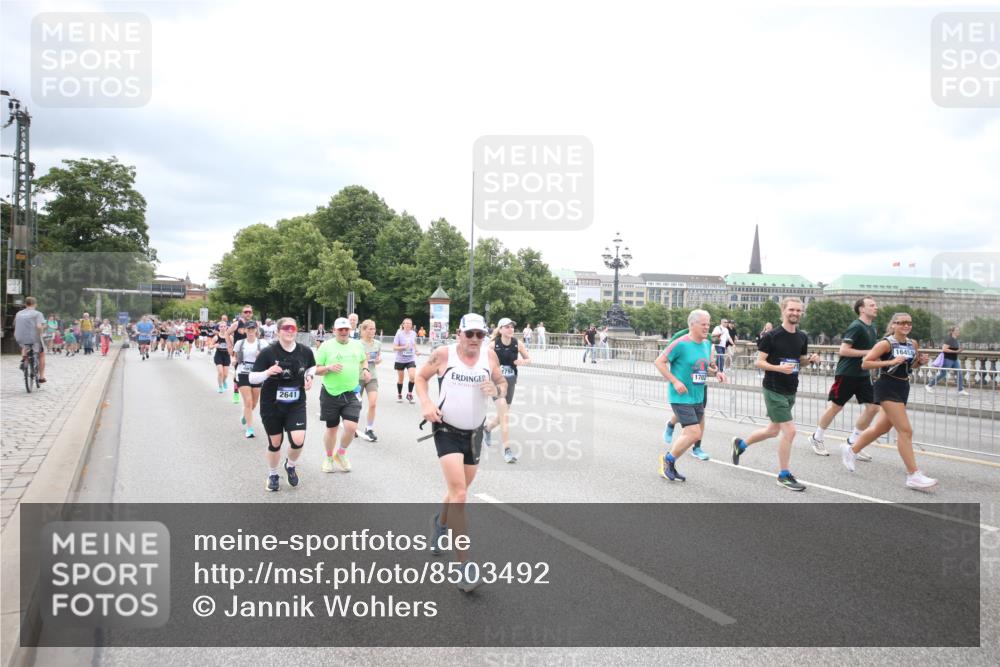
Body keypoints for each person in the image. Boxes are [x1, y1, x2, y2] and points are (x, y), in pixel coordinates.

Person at [415, 313, 505, 593]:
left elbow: (502, 384)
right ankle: (464, 567)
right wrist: (427, 403)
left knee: (459, 490)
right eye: (470, 334)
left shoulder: (489, 357)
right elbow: (420, 377)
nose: (475, 340)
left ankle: (440, 524)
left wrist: (497, 389)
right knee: (461, 495)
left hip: (475, 433)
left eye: (480, 334)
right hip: (446, 430)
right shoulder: (443, 355)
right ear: (460, 334)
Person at [731, 297, 820, 492]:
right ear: (783, 311)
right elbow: (759, 362)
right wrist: (778, 368)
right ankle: (784, 475)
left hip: (791, 389)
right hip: (773, 388)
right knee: (790, 431)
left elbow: (800, 361)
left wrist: (810, 360)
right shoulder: (771, 336)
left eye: (798, 310)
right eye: (791, 310)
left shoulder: (802, 336)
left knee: (772, 431)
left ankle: (741, 444)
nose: (795, 313)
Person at [842, 313, 937, 490]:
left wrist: (920, 362)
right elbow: (865, 363)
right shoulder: (885, 343)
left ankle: (851, 449)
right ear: (893, 325)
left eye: (909, 323)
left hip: (903, 387)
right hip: (886, 387)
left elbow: (910, 366)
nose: (906, 326)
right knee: (905, 430)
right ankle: (913, 475)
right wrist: (890, 361)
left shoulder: (912, 343)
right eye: (901, 323)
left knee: (882, 428)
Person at [656, 310, 726, 481]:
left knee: (694, 432)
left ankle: (670, 462)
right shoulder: (680, 344)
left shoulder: (704, 344)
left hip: (697, 396)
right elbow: (659, 362)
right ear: (692, 324)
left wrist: (715, 373)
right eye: (704, 324)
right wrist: (675, 381)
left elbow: (702, 366)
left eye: (708, 324)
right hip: (681, 396)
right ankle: (667, 460)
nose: (707, 328)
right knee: (694, 432)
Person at [248, 318, 316, 492]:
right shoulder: (268, 353)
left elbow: (311, 367)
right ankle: (272, 474)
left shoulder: (305, 351)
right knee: (275, 443)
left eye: (293, 328)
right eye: (285, 328)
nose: (289, 331)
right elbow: (251, 378)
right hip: (272, 404)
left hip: (296, 403)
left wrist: (309, 378)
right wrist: (267, 372)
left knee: (298, 440)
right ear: (278, 331)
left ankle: (290, 465)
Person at [809, 297, 881, 459]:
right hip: (847, 374)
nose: (876, 308)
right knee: (836, 407)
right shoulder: (856, 326)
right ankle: (817, 437)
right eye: (872, 305)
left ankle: (853, 442)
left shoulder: (873, 327)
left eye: (875, 305)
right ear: (862, 309)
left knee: (874, 407)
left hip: (863, 374)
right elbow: (843, 350)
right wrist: (868, 353)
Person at [315, 317, 369, 473]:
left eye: (346, 329)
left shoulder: (357, 345)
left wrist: (365, 369)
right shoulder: (326, 346)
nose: (344, 332)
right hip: (330, 393)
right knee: (331, 429)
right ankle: (329, 457)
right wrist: (329, 368)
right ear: (335, 331)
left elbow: (363, 360)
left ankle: (341, 453)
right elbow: (315, 370)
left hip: (351, 392)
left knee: (351, 427)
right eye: (341, 330)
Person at [484, 317, 531, 464]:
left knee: (503, 414)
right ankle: (507, 450)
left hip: (511, 381)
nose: (511, 329)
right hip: (496, 383)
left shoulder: (518, 344)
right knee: (504, 415)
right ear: (501, 329)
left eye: (512, 327)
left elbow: (529, 359)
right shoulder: (492, 345)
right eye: (507, 327)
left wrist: (523, 361)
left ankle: (487, 428)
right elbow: (483, 362)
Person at [233, 321, 267, 439]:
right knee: (248, 401)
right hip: (243, 373)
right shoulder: (239, 343)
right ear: (245, 330)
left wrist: (261, 355)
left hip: (257, 373)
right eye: (249, 329)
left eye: (253, 329)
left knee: (254, 403)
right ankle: (250, 428)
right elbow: (236, 357)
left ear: (256, 330)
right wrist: (234, 361)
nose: (251, 331)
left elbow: (268, 359)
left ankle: (245, 414)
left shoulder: (262, 343)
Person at [358, 319, 382, 442]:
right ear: (364, 330)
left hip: (372, 377)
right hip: (358, 378)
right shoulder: (357, 344)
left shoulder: (377, 343)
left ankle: (369, 428)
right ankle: (352, 426)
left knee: (373, 403)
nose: (373, 331)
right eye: (370, 329)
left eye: (374, 328)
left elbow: (379, 357)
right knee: (356, 405)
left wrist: (378, 360)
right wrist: (363, 359)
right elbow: (353, 360)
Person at [926, 326, 967, 396]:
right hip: (947, 359)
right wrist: (956, 351)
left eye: (959, 330)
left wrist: (959, 351)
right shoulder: (949, 339)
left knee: (959, 373)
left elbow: (954, 350)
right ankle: (929, 385)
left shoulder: (955, 340)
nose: (958, 331)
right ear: (952, 331)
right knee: (943, 374)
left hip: (954, 359)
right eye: (957, 330)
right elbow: (944, 349)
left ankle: (961, 390)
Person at [14, 297, 47, 383]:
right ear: (35, 304)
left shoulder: (18, 313)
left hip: (19, 337)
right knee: (41, 354)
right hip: (33, 338)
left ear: (25, 304)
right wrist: (42, 331)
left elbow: (16, 325)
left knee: (25, 346)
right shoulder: (37, 314)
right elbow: (39, 327)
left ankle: (25, 360)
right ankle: (42, 377)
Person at [393, 317, 419, 403]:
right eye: (406, 323)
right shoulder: (399, 334)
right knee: (401, 379)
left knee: (412, 377)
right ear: (403, 325)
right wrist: (404, 347)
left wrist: (417, 350)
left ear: (411, 325)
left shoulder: (413, 333)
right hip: (400, 359)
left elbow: (414, 343)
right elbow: (394, 347)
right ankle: (399, 394)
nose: (408, 325)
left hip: (410, 359)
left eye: (409, 323)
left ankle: (409, 394)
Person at [209, 317, 232, 393]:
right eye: (221, 326)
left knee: (225, 374)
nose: (222, 328)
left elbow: (234, 346)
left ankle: (224, 381)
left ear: (226, 327)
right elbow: (210, 346)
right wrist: (215, 346)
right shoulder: (216, 337)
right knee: (220, 372)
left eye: (224, 326)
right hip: (218, 355)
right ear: (219, 328)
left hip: (226, 356)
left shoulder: (230, 337)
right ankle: (220, 386)